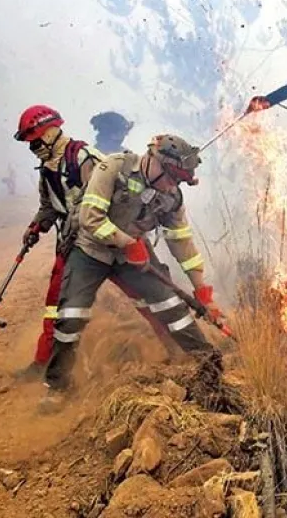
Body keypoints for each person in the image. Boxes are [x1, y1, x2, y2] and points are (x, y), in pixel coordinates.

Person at [40, 133, 224, 412]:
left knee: (171, 305)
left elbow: (182, 242)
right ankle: (58, 385)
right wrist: (125, 243)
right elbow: (91, 219)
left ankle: (210, 363)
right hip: (91, 251)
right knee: (71, 317)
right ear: (154, 161)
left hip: (134, 253)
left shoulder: (171, 196)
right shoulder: (114, 167)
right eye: (171, 177)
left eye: (178, 180)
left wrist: (202, 292)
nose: (172, 185)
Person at [11, 104, 179, 381]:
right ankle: (46, 364)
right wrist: (37, 225)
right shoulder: (48, 167)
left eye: (35, 141)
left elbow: (103, 205)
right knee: (58, 306)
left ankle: (176, 347)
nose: (33, 147)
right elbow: (49, 204)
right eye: (30, 143)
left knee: (147, 296)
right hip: (76, 247)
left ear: (51, 132)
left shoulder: (85, 158)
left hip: (111, 244)